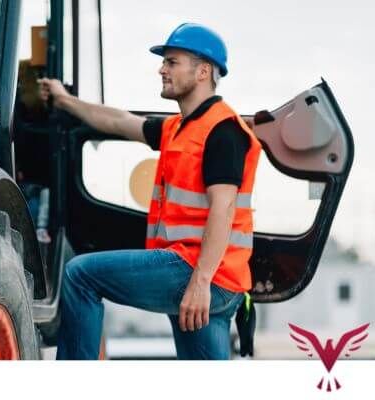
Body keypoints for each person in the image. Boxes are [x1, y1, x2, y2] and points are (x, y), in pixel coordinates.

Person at [39, 23, 262, 360]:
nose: (162, 69)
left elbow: (224, 210)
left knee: (80, 275)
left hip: (198, 270)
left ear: (203, 71)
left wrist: (200, 283)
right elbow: (117, 121)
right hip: (209, 273)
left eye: (172, 62)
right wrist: (65, 101)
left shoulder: (223, 131)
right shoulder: (178, 128)